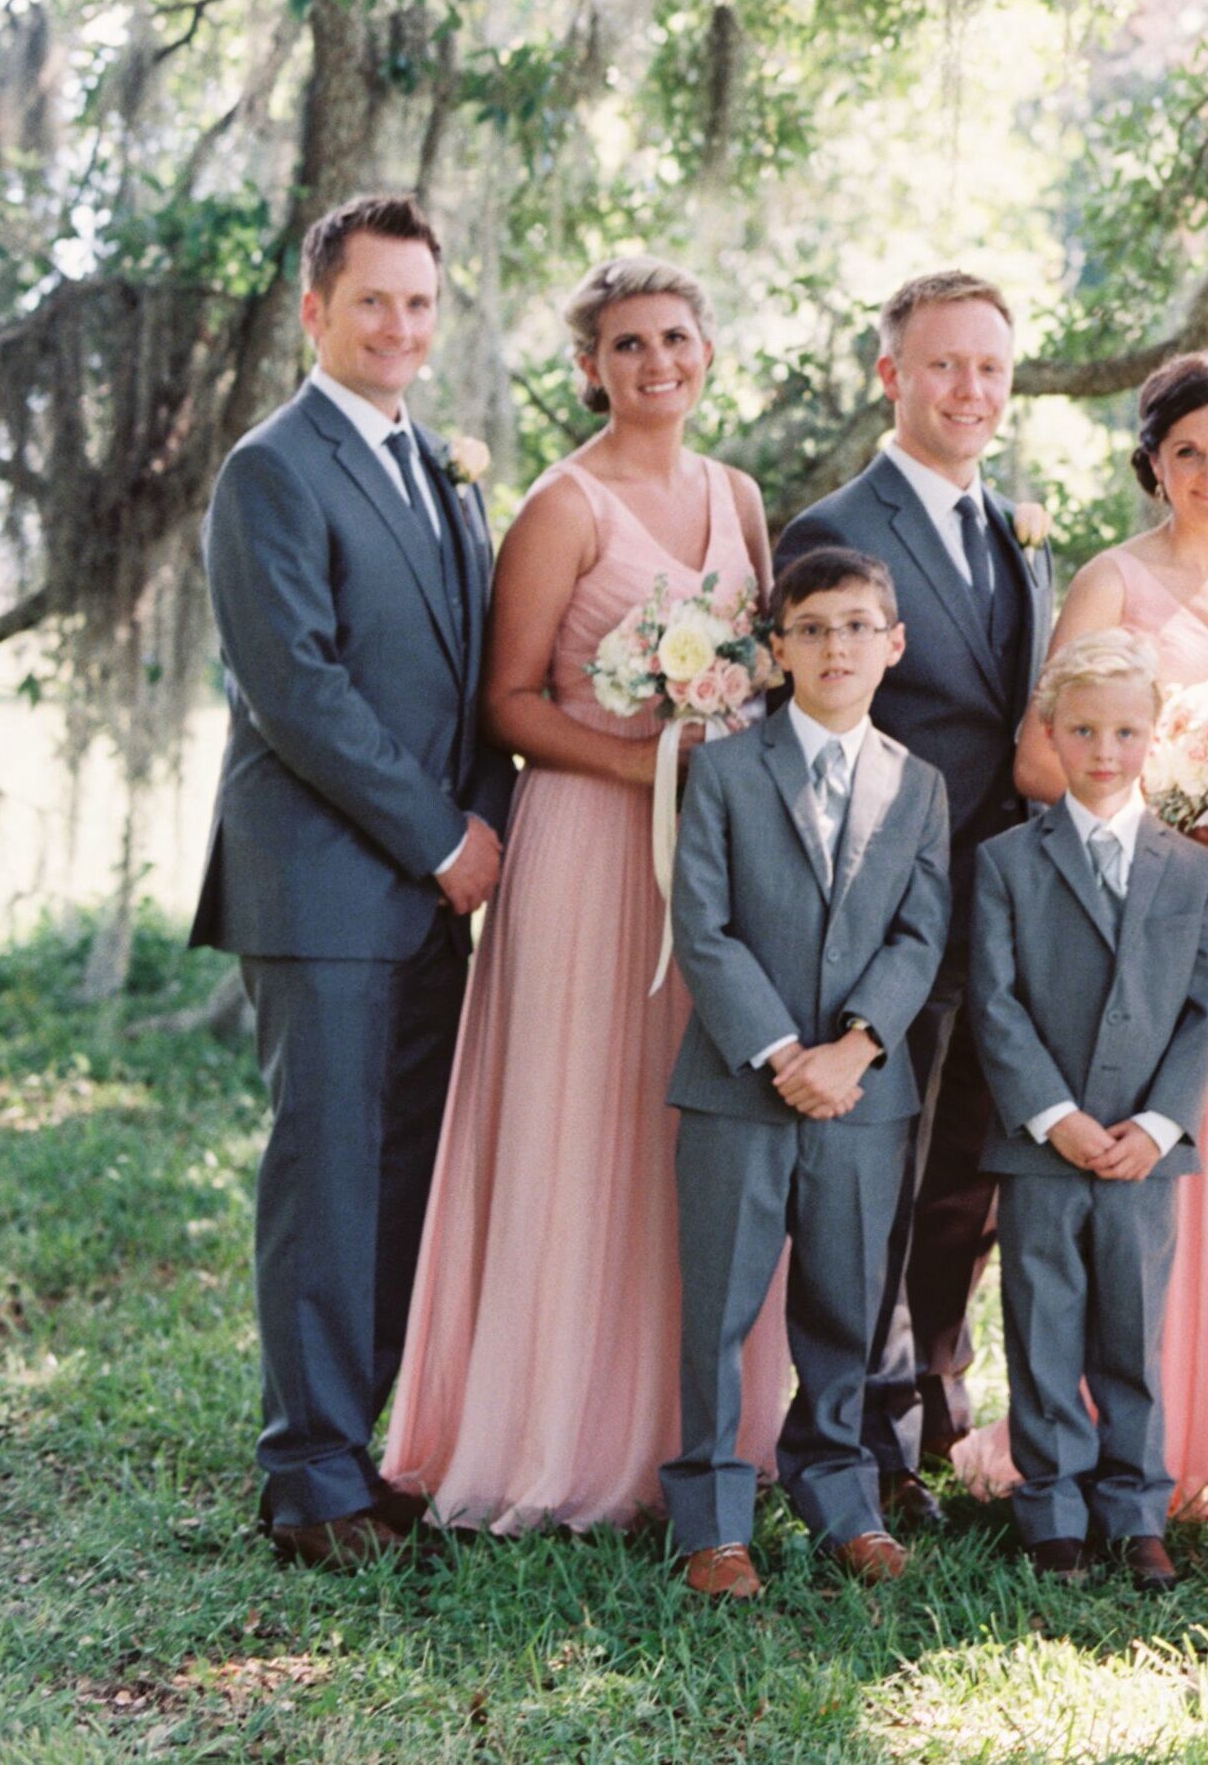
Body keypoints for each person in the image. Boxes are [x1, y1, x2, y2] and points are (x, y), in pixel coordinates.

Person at [386, 258, 790, 1531]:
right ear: (590, 368)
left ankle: (697, 1434)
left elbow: (764, 673)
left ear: (708, 351)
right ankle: (551, 1438)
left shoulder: (739, 496)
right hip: (584, 852)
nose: (655, 362)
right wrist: (642, 761)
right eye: (626, 345)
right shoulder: (562, 507)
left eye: (676, 337)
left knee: (693, 1139)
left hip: (710, 861)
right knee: (578, 1126)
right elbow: (506, 705)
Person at [194, 193, 517, 1567]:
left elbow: (474, 679)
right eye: (372, 299)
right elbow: (297, 693)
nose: (398, 325)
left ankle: (357, 1446)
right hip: (325, 887)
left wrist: (490, 817)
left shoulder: (440, 470)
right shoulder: (271, 469)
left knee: (394, 1178)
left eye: (419, 303)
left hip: (428, 897)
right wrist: (447, 839)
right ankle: (305, 1473)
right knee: (323, 1178)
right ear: (316, 310)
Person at [998, 352, 1208, 1520]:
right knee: (1147, 1165)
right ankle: (1128, 1436)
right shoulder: (1112, 584)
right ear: (1152, 465)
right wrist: (1180, 812)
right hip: (1138, 915)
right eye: (1185, 450)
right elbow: (1043, 759)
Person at [772, 271, 1051, 1508]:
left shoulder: (1018, 532)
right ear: (892, 376)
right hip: (885, 907)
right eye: (945, 366)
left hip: (1010, 902)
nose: (971, 391)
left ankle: (942, 1400)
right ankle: (863, 1442)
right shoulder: (834, 528)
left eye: (990, 369)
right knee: (874, 1180)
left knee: (970, 1181)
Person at [657, 547, 953, 1600]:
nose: (838, 645)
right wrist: (783, 1053)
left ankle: (840, 1499)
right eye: (815, 628)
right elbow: (703, 923)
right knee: (721, 1308)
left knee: (844, 1305)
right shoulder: (729, 769)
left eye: (858, 626)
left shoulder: (920, 786)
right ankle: (713, 1521)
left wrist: (855, 1049)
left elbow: (920, 937)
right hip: (740, 1084)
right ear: (777, 649)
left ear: (893, 644)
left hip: (864, 1096)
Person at [968, 629, 1208, 1594]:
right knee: (1042, 1325)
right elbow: (993, 1004)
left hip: (1143, 1151)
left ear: (1153, 735)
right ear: (1050, 733)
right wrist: (1053, 1115)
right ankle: (1051, 1510)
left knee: (1131, 1330)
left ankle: (1133, 1510)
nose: (1104, 751)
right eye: (1082, 730)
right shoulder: (1007, 862)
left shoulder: (1199, 873)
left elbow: (1206, 1011)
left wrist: (1159, 1125)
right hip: (1045, 1146)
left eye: (1125, 731)